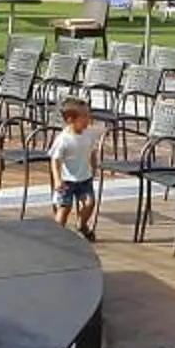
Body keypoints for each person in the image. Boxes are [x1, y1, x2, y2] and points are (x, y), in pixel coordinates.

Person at [48, 96, 102, 242]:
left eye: (88, 115)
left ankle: (82, 224)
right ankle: (56, 237)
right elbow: (55, 160)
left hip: (84, 178)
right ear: (71, 120)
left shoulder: (89, 134)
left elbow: (92, 151)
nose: (87, 119)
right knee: (64, 209)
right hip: (67, 180)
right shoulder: (63, 140)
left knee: (90, 203)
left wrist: (94, 166)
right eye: (84, 117)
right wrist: (57, 179)